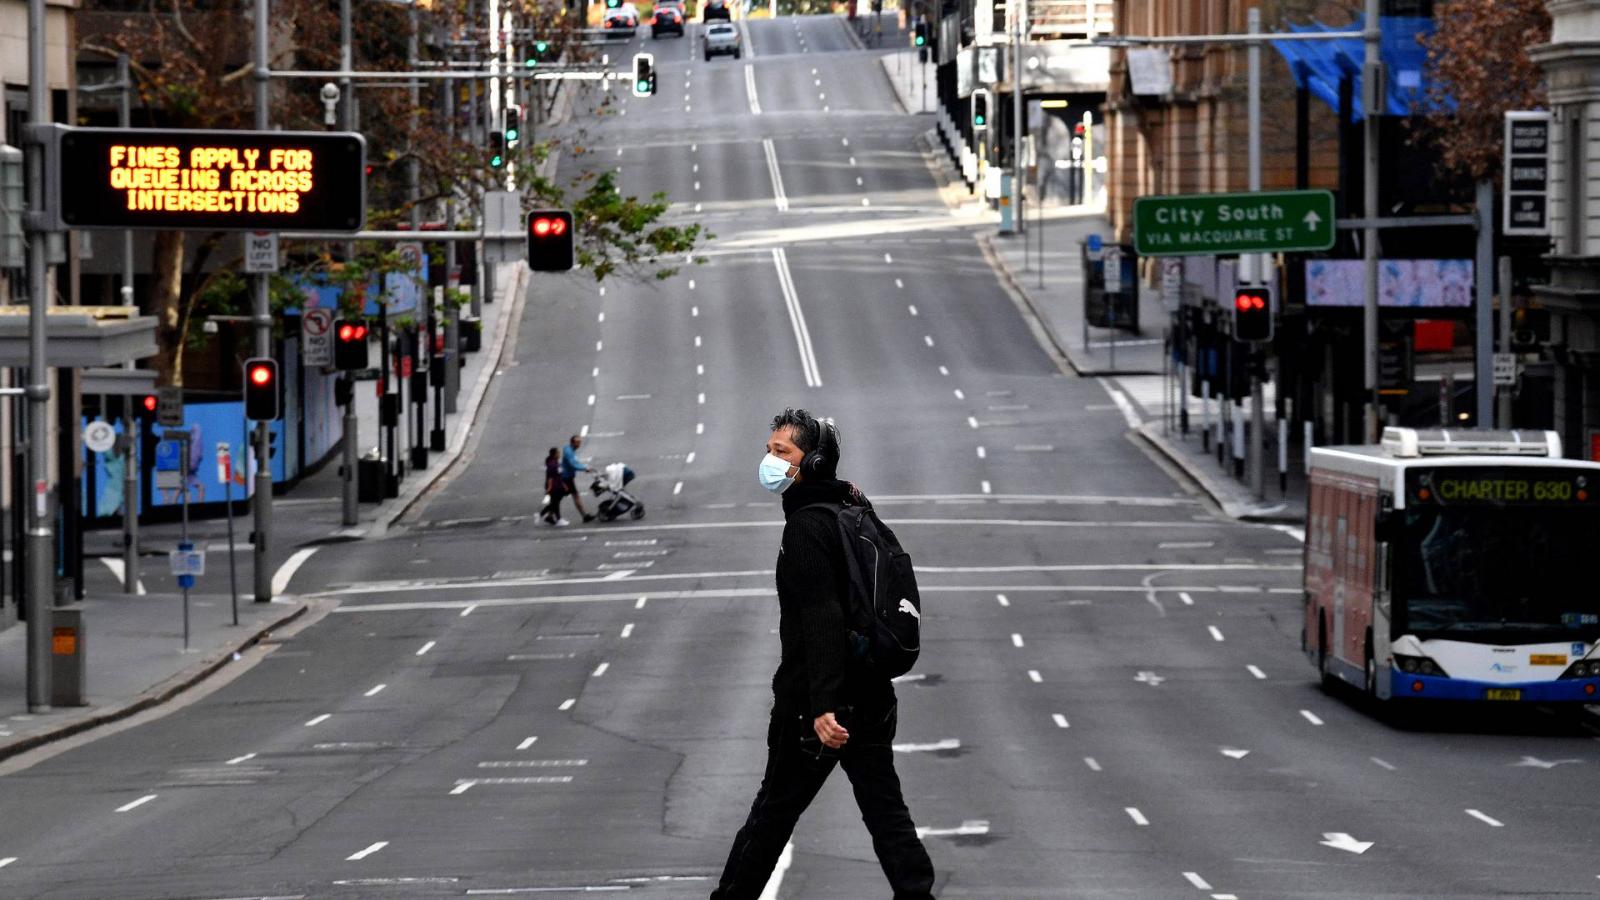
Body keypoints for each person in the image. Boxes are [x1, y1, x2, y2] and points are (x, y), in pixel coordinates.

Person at [710, 409, 935, 900]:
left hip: (820, 706)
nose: (769, 461)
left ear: (811, 463)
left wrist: (822, 706)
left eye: (781, 452)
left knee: (771, 815)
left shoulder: (807, 528)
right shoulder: (853, 507)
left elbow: (822, 619)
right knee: (885, 811)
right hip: (873, 696)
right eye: (769, 449)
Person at [561, 434, 596, 523]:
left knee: (559, 497)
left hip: (568, 477)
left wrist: (584, 467)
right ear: (572, 442)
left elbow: (575, 462)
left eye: (579, 442)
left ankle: (548, 513)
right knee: (574, 496)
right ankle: (584, 515)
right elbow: (573, 464)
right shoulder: (568, 451)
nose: (579, 444)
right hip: (565, 478)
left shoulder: (571, 450)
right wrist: (585, 468)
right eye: (577, 442)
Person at [540, 447, 569, 526]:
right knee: (555, 503)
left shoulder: (555, 462)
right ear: (555, 454)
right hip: (554, 486)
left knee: (555, 502)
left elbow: (559, 475)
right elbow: (550, 477)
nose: (559, 454)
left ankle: (549, 517)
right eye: (558, 453)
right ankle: (556, 518)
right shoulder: (552, 464)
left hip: (558, 485)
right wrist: (549, 488)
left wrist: (564, 485)